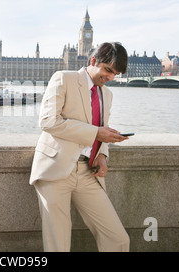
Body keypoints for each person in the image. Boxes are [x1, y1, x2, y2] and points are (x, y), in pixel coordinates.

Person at [30, 42, 130, 252]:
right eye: (108, 70)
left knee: (118, 239)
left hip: (87, 172)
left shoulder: (107, 95)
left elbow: (102, 130)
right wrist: (95, 133)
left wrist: (102, 154)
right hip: (55, 170)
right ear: (93, 61)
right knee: (58, 245)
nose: (111, 78)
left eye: (115, 74)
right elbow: (48, 121)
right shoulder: (64, 78)